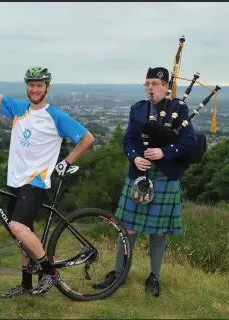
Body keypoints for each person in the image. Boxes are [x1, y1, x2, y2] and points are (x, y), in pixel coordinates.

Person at [0, 56, 95, 297]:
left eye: (39, 85)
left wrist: (67, 162)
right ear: (27, 87)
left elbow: (87, 139)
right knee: (22, 234)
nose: (34, 89)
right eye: (31, 85)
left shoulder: (57, 116)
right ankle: (26, 285)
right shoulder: (19, 108)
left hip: (36, 181)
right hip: (15, 180)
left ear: (47, 88)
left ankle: (50, 273)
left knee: (18, 227)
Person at [92, 67, 197, 297]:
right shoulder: (138, 109)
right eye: (147, 83)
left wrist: (164, 152)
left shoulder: (178, 108)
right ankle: (118, 273)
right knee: (127, 227)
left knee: (158, 232)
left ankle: (154, 277)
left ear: (167, 86)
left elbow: (190, 141)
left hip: (164, 177)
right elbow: (128, 140)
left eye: (155, 84)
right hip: (139, 176)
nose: (150, 88)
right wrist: (135, 157)